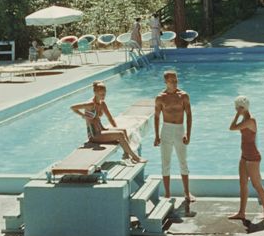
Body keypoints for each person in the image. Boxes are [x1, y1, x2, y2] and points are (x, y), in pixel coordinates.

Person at [71, 81, 146, 163]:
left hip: (101, 130)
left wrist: (116, 130)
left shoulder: (102, 103)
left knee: (123, 131)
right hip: (94, 135)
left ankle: (126, 155)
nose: (103, 96)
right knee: (120, 135)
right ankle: (135, 157)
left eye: (104, 94)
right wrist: (83, 116)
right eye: (101, 94)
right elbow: (73, 107)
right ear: (95, 92)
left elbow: (110, 119)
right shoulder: (90, 104)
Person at [227, 96, 264, 223]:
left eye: (237, 108)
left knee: (256, 185)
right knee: (242, 184)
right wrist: (239, 114)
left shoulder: (250, 121)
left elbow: (232, 127)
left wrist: (237, 115)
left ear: (242, 108)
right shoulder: (245, 120)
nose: (236, 110)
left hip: (253, 158)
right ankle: (241, 212)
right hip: (244, 156)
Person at [154, 69, 194, 204]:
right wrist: (156, 136)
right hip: (166, 130)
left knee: (183, 161)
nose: (175, 83)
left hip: (179, 129)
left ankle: (187, 192)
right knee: (165, 162)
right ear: (166, 82)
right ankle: (167, 194)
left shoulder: (183, 96)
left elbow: (189, 115)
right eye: (172, 81)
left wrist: (188, 133)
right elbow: (156, 117)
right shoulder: (160, 97)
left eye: (176, 80)